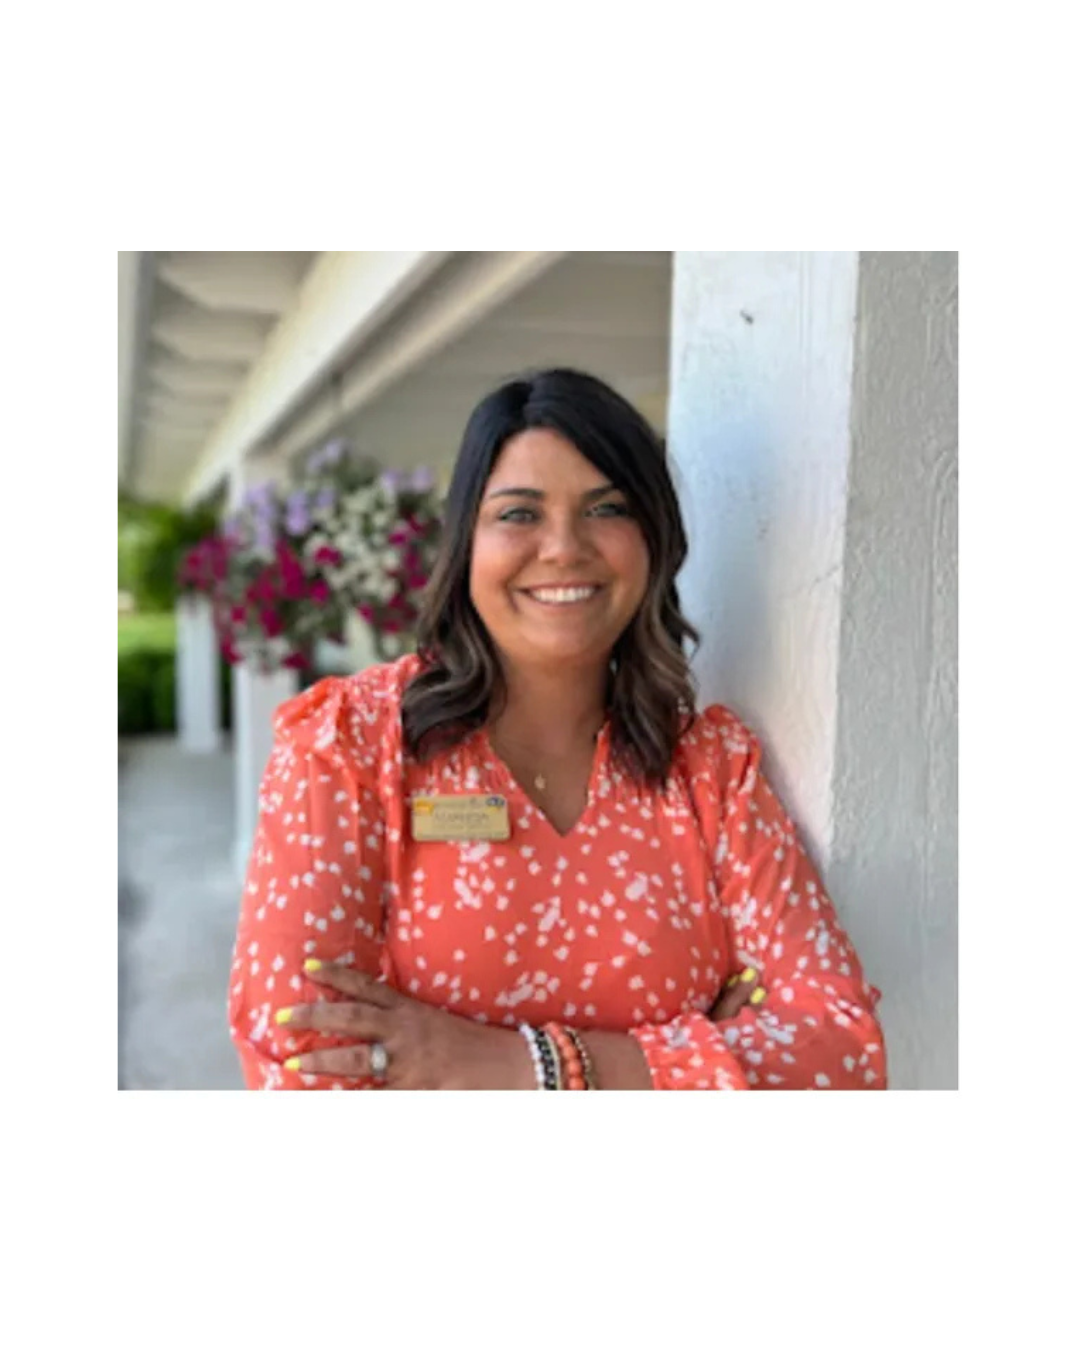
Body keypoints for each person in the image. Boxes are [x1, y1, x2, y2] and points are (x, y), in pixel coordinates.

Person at [228, 368, 886, 1089]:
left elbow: (840, 1050)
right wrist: (696, 1059)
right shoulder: (351, 743)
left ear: (653, 540)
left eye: (607, 508)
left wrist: (515, 1064)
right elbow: (300, 1066)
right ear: (466, 544)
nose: (565, 547)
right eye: (519, 513)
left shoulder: (708, 769)